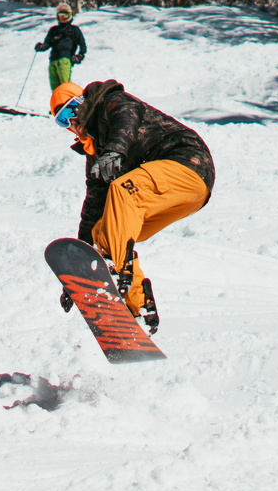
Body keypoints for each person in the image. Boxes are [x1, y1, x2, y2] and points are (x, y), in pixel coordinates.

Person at [49, 78, 214, 324]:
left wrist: (116, 150)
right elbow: (93, 207)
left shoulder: (109, 102)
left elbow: (127, 117)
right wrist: (79, 269)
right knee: (103, 232)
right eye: (63, 120)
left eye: (71, 111)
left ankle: (119, 273)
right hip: (185, 196)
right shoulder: (96, 153)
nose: (72, 122)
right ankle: (138, 309)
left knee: (121, 191)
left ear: (83, 102)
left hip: (188, 163)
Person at [35, 3, 87, 91]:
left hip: (65, 60)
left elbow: (82, 45)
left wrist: (80, 56)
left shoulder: (74, 30)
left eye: (66, 14)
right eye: (61, 15)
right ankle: (58, 104)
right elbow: (47, 43)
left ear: (70, 15)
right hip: (53, 61)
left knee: (65, 86)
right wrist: (41, 47)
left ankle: (71, 103)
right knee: (55, 89)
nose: (63, 17)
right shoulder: (54, 30)